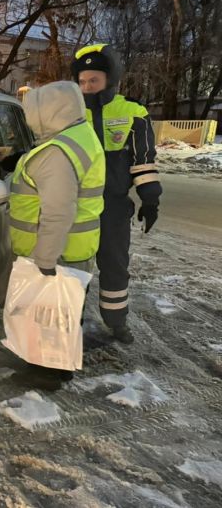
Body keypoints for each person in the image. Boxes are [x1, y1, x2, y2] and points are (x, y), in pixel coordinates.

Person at [8, 80, 105, 390]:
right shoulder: (80, 135)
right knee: (64, 316)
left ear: (47, 113)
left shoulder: (57, 153)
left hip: (57, 254)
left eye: (32, 112)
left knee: (49, 319)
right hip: (77, 248)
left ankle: (43, 376)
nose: (29, 119)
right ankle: (59, 369)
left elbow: (58, 212)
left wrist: (45, 260)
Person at [71, 44, 162, 344]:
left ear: (110, 80)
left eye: (93, 80)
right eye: (82, 81)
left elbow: (143, 161)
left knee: (114, 266)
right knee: (75, 267)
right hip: (78, 206)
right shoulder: (71, 112)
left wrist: (150, 199)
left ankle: (116, 322)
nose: (86, 87)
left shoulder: (131, 112)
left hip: (113, 207)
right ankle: (71, 323)